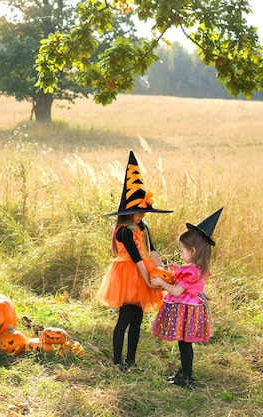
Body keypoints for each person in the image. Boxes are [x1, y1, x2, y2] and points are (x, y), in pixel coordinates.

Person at [96, 151, 172, 370]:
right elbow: (136, 257)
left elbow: (151, 251)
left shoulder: (143, 227)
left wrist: (163, 271)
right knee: (125, 319)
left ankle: (132, 360)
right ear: (127, 212)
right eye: (138, 212)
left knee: (138, 320)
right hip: (129, 274)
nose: (142, 215)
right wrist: (148, 280)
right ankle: (117, 361)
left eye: (143, 212)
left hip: (144, 271)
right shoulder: (123, 231)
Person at [151, 207, 223, 389]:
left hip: (185, 310)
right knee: (186, 344)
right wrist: (178, 269)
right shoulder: (199, 267)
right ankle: (185, 372)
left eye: (182, 252)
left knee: (184, 345)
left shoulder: (189, 271)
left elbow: (176, 291)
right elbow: (190, 281)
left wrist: (162, 282)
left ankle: (187, 377)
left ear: (193, 250)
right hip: (193, 308)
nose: (181, 256)